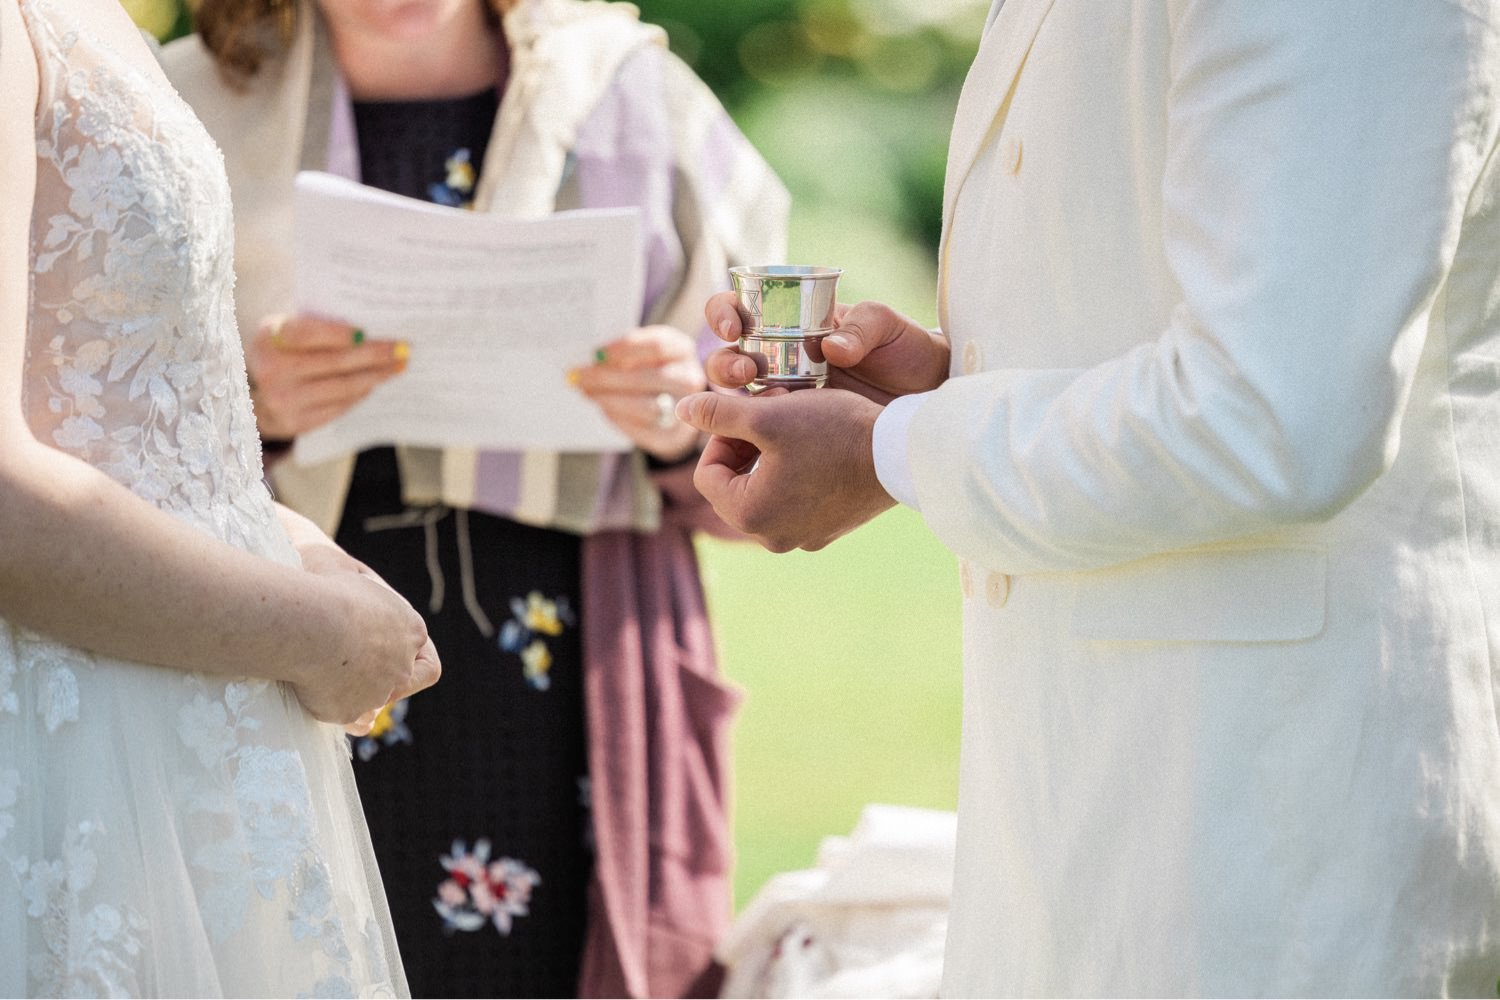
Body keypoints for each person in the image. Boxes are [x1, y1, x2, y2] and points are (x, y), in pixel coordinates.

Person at [677, 1, 1500, 996]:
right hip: (1077, 791)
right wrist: (939, 397)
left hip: (1274, 809)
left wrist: (896, 450)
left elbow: (1276, 413)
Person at [161, 0, 788, 995]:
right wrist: (251, 403)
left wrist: (687, 409)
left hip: (575, 683)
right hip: (290, 664)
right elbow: (87, 424)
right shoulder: (176, 103)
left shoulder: (636, 96)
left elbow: (784, 453)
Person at [0, 0, 442, 994]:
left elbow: (109, 418)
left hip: (197, 736)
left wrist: (293, 541)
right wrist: (322, 635)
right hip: (85, 750)